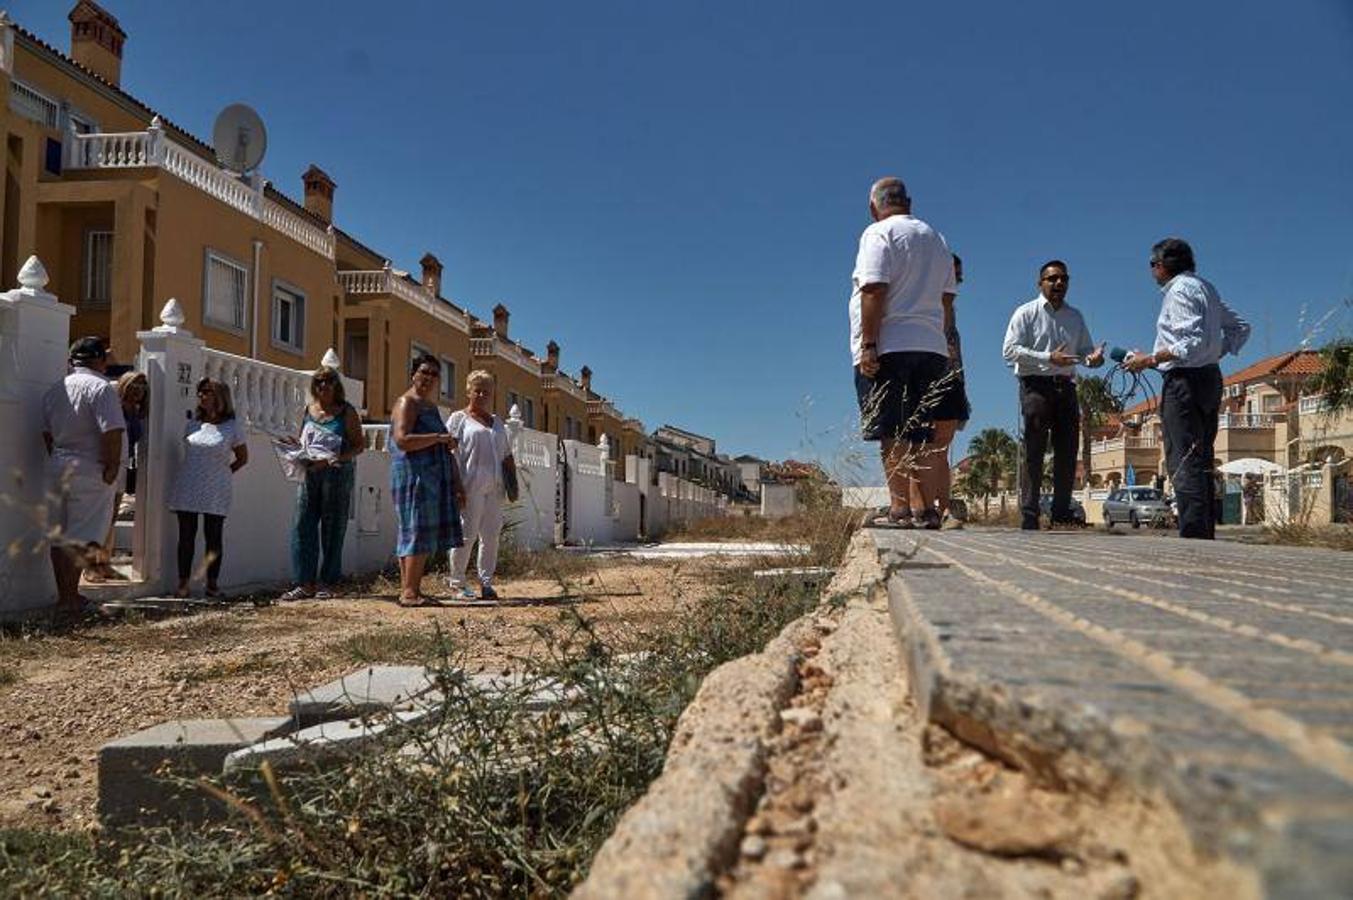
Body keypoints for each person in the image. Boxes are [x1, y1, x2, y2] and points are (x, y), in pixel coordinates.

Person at [850, 177, 957, 530]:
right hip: (931, 348)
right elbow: (946, 300)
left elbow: (874, 289)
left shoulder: (877, 233)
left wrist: (868, 345)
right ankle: (926, 510)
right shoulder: (936, 239)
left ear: (873, 207)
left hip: (891, 346)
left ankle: (899, 509)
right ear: (908, 202)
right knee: (923, 433)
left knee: (892, 432)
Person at [1125, 238, 1250, 539]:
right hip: (1209, 378)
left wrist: (1150, 359)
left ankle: (1194, 534)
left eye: (1152, 264)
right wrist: (1214, 353)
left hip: (1184, 383)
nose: (1152, 271)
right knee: (1202, 456)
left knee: (1183, 458)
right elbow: (1241, 328)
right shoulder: (1206, 287)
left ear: (1163, 265)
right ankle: (1204, 531)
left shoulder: (1178, 291)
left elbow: (1187, 343)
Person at [1002, 260, 1104, 530]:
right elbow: (1009, 351)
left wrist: (1093, 359)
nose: (1059, 283)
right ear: (1041, 283)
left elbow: (1083, 353)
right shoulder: (1026, 313)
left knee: (1068, 450)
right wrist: (1048, 357)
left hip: (1067, 386)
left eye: (1064, 279)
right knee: (1034, 450)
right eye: (1053, 279)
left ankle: (1061, 513)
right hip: (1036, 386)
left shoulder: (1075, 316)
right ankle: (1030, 514)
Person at [40, 336, 125, 619]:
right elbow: (111, 430)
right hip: (90, 466)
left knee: (59, 534)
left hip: (58, 463)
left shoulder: (54, 389)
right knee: (83, 534)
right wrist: (112, 466)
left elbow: (47, 433)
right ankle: (70, 598)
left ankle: (65, 596)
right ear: (99, 360)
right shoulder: (101, 388)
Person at [280, 367, 366, 601]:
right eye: (319, 382)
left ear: (336, 385)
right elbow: (305, 441)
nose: (323, 386)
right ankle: (303, 582)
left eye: (328, 381)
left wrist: (338, 458)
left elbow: (359, 444)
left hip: (336, 475)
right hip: (310, 473)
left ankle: (328, 581)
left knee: (333, 529)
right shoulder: (308, 410)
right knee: (302, 526)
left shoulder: (346, 412)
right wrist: (292, 445)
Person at [390, 355, 464, 607]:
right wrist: (439, 438)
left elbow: (440, 442)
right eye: (425, 372)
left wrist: (456, 481)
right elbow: (402, 440)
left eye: (434, 374)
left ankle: (410, 589)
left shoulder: (430, 406)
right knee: (415, 530)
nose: (429, 378)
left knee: (417, 530)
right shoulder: (407, 402)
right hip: (414, 475)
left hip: (431, 476)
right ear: (413, 374)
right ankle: (410, 592)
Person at [166, 378, 248, 598]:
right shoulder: (193, 423)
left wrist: (222, 473)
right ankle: (183, 583)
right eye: (200, 392)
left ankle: (212, 583)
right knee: (186, 536)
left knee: (213, 536)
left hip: (215, 487)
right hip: (189, 483)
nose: (202, 396)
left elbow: (242, 458)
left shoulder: (232, 426)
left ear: (220, 396)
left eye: (207, 392)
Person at [446, 370, 517, 601]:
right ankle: (457, 583)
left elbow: (506, 455)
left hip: (494, 489)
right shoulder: (459, 419)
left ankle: (486, 583)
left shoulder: (497, 423)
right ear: (469, 391)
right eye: (477, 390)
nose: (482, 395)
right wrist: (455, 486)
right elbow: (449, 452)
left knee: (491, 536)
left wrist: (513, 484)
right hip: (470, 486)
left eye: (486, 391)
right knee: (467, 535)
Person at [88, 371, 149, 582]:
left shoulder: (136, 412)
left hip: (124, 467)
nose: (138, 391)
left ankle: (104, 562)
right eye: (133, 386)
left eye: (142, 387)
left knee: (111, 518)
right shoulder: (115, 408)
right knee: (100, 517)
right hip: (110, 465)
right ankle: (91, 566)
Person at [930, 253, 972, 527]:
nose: (955, 282)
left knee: (940, 452)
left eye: (958, 277)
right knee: (921, 448)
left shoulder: (951, 310)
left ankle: (944, 509)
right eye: (951, 275)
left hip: (950, 382)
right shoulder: (926, 306)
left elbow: (956, 354)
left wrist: (962, 390)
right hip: (926, 381)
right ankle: (918, 508)